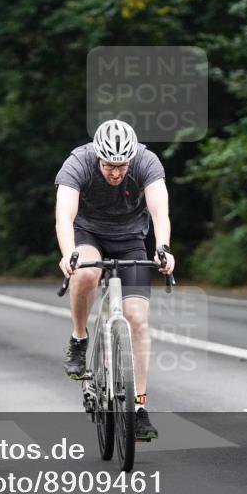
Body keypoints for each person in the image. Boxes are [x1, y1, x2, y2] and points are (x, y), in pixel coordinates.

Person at [54, 119, 175, 441]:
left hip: (131, 238)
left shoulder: (147, 162)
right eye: (109, 165)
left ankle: (138, 408)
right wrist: (69, 254)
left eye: (122, 165)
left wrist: (163, 248)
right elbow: (64, 216)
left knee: (137, 320)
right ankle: (79, 339)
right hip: (88, 233)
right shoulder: (78, 162)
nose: (116, 173)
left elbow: (160, 213)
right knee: (87, 272)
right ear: (98, 156)